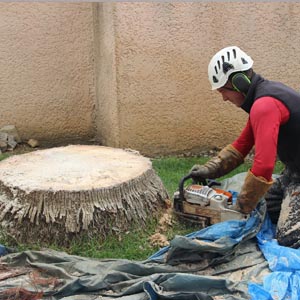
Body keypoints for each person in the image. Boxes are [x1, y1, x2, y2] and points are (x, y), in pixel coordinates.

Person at [190, 46, 300, 248]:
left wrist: (242, 208)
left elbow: (264, 166)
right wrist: (210, 168)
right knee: (269, 204)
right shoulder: (264, 98)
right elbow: (242, 145)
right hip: (295, 171)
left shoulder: (264, 105)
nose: (224, 98)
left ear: (239, 83)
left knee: (290, 239)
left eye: (224, 91)